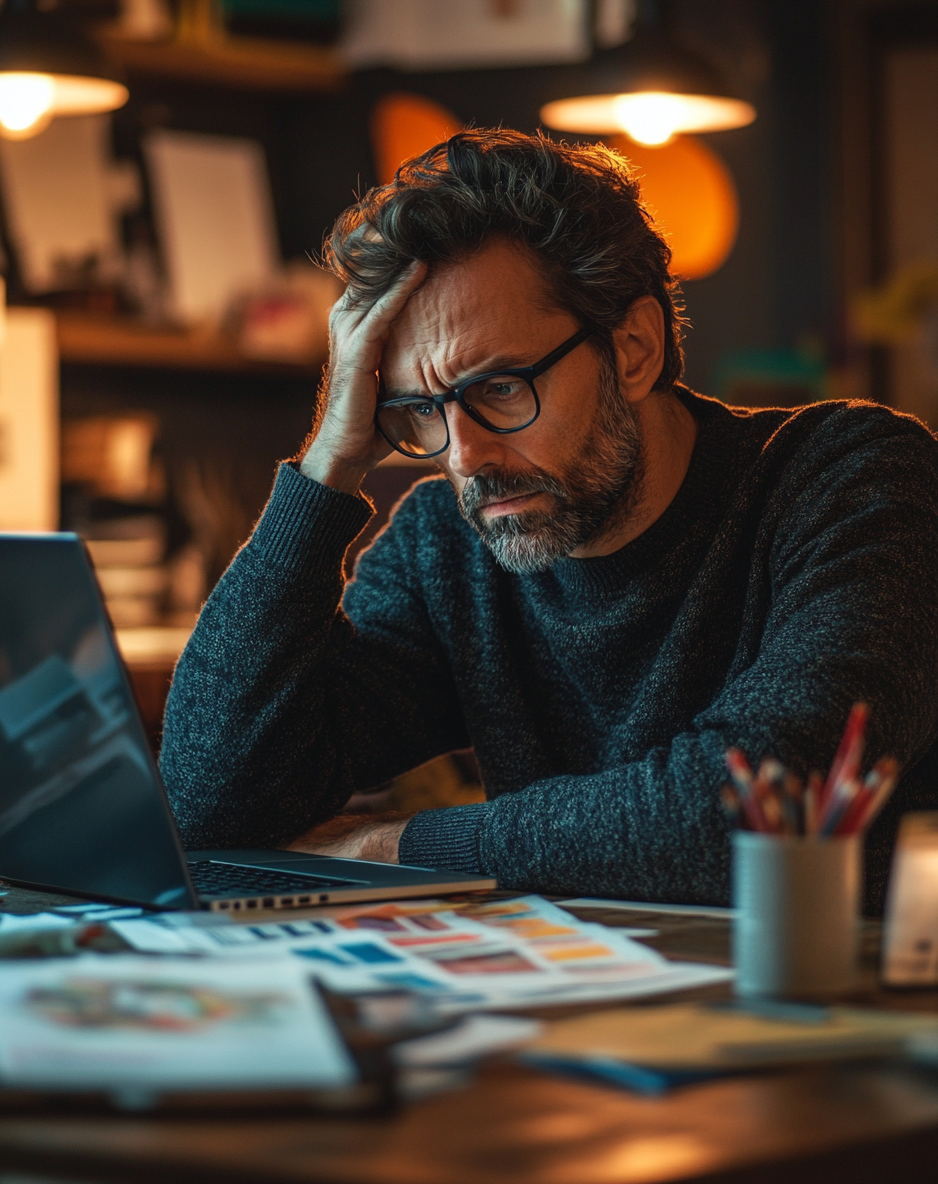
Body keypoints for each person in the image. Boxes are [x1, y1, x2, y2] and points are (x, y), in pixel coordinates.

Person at [160, 129, 938, 912]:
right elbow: (210, 800)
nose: (463, 456)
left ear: (633, 348)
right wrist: (327, 465)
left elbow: (757, 811)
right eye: (422, 410)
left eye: (499, 388)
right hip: (586, 1007)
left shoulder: (852, 480)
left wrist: (406, 847)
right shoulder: (447, 546)